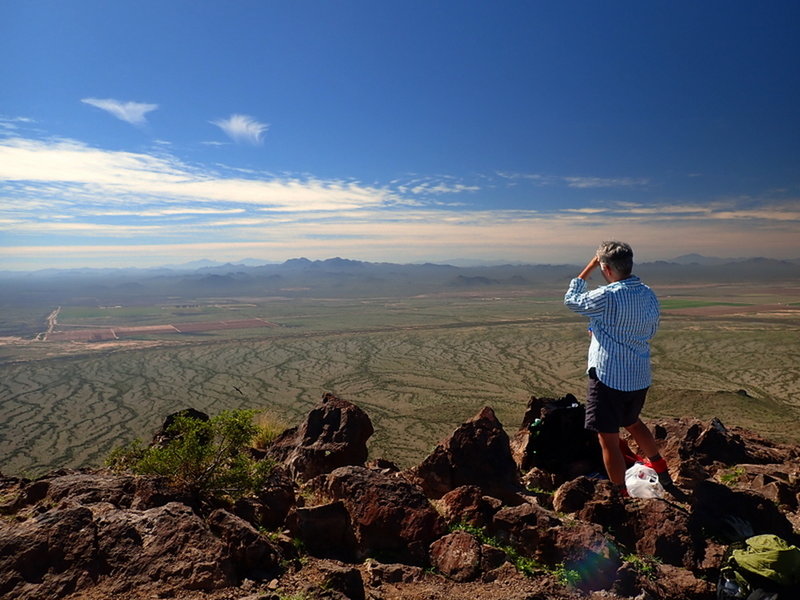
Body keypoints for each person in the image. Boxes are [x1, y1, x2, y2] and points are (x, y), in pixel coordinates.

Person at [564, 241, 673, 496]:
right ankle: (663, 472)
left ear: (605, 268)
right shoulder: (647, 293)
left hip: (608, 377)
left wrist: (588, 267)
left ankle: (619, 495)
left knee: (608, 440)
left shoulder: (608, 295)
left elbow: (571, 300)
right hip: (638, 375)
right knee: (633, 422)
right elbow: (651, 330)